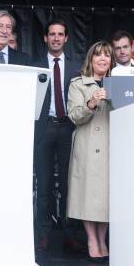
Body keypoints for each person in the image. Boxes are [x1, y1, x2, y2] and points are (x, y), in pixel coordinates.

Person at [33, 19, 83, 253]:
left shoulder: (77, 66)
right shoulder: (35, 66)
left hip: (68, 128)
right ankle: (42, 235)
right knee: (43, 185)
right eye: (51, 34)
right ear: (45, 38)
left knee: (68, 184)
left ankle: (69, 234)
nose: (55, 38)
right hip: (43, 128)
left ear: (66, 38)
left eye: (60, 34)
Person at [66, 41, 115, 263]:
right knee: (87, 194)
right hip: (87, 145)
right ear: (91, 59)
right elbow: (74, 116)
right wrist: (91, 102)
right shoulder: (77, 84)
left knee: (106, 196)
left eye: (107, 55)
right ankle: (92, 241)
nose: (103, 59)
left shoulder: (119, 83)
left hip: (113, 145)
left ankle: (102, 239)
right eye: (98, 55)